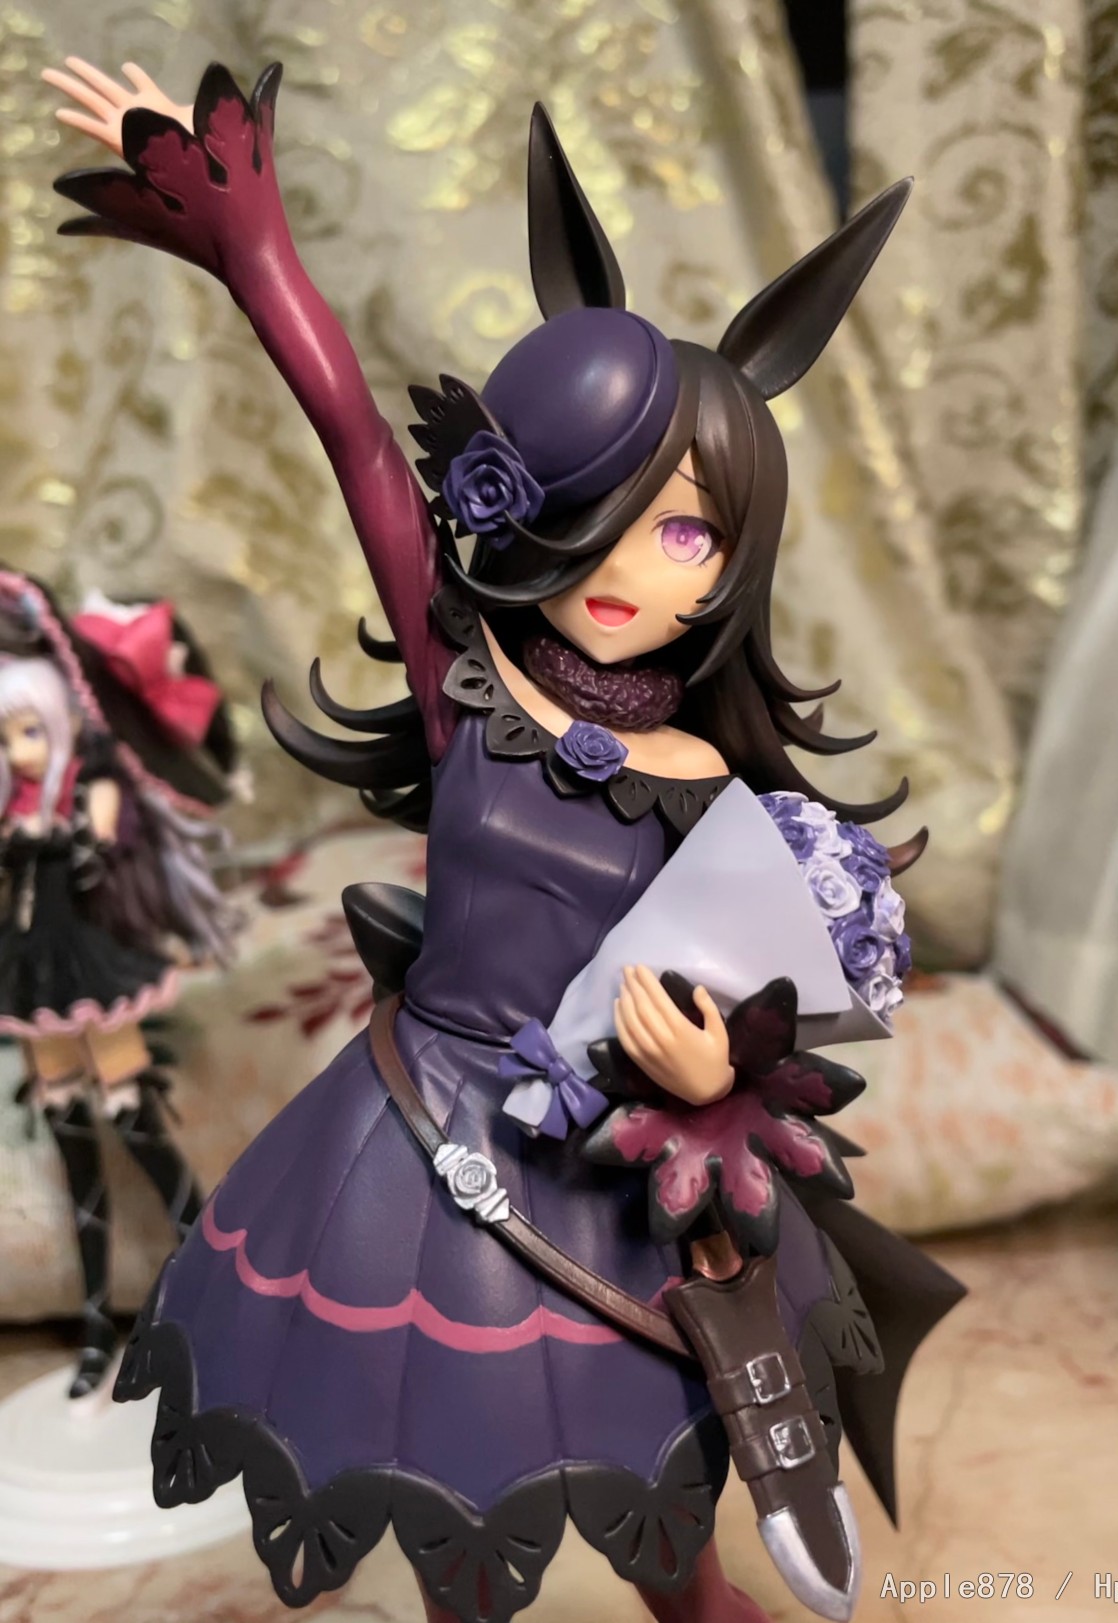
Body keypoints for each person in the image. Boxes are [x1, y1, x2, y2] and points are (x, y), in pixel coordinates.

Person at [44, 58, 962, 1622]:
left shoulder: (714, 782)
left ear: (731, 565)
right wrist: (255, 245)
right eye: (597, 500)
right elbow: (358, 446)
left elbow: (747, 990)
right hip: (420, 1147)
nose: (628, 561)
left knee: (671, 1495)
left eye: (685, 528)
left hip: (615, 1161)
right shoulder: (469, 682)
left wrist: (710, 1068)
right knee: (454, 1499)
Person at [0, 571, 239, 1396]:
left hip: (92, 961)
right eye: (5, 736)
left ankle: (216, 1302)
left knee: (138, 1126)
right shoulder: (16, 805)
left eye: (29, 729)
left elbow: (104, 832)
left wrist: (81, 819)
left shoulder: (88, 786)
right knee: (72, 1143)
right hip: (28, 973)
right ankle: (99, 1322)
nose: (17, 751)